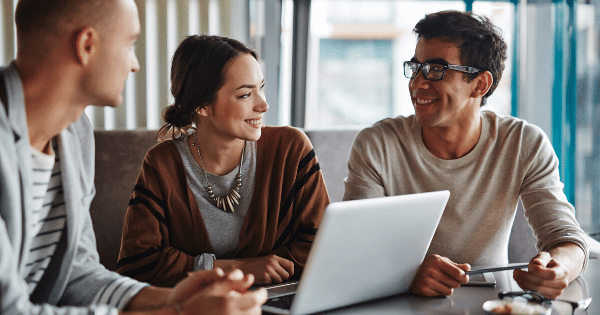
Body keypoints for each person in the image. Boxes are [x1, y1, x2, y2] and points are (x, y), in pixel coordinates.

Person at [0, 0, 268, 314]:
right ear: (87, 45)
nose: (135, 64)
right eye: (130, 43)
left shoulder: (74, 135)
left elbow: (77, 272)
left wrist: (173, 298)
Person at [343, 10, 589, 299]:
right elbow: (353, 251)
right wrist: (408, 274)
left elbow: (567, 239)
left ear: (480, 84)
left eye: (436, 70)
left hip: (492, 302)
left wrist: (559, 268)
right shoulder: (377, 144)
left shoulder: (523, 142)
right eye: (416, 66)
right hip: (398, 302)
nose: (417, 83)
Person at [116, 35, 329, 287]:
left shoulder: (291, 150)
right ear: (202, 105)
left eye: (260, 88)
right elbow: (138, 263)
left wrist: (197, 268)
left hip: (276, 301)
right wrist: (238, 269)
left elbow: (323, 248)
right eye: (245, 95)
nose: (263, 104)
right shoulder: (162, 165)